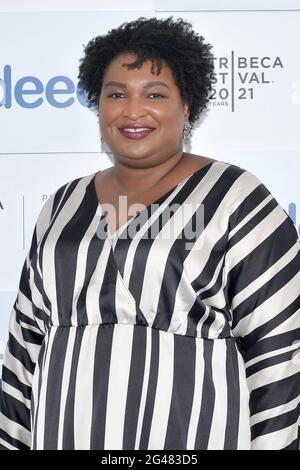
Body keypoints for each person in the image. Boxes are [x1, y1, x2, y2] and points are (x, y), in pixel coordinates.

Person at [0, 16, 299, 450]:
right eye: (116, 94)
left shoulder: (236, 198)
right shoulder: (62, 204)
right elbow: (24, 347)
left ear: (186, 106)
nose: (133, 111)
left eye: (154, 94)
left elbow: (280, 355)